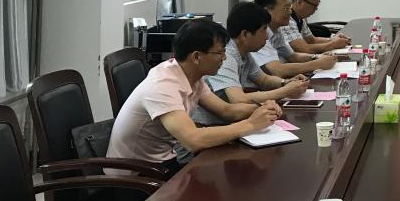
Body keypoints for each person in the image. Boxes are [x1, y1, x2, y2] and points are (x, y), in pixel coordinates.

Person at [107, 19, 279, 173]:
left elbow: (226, 110)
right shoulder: (162, 86)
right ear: (196, 56)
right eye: (219, 53)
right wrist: (251, 124)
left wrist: (261, 110)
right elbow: (193, 140)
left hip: (162, 163)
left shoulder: (191, 76)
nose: (224, 58)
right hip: (136, 175)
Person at [191, 1, 309, 127]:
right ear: (245, 34)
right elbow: (238, 99)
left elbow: (263, 80)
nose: (267, 36)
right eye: (264, 29)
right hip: (209, 126)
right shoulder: (225, 57)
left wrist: (286, 82)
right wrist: (285, 91)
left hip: (230, 121)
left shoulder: (243, 52)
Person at [253, 0, 336, 76]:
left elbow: (292, 56)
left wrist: (317, 57)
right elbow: (277, 70)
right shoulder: (256, 34)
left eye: (290, 7)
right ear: (267, 11)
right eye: (286, 8)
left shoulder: (276, 30)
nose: (290, 12)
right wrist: (317, 64)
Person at [282, 0, 351, 54]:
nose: (316, 9)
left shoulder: (300, 18)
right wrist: (333, 44)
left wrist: (333, 39)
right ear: (300, 2)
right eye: (314, 5)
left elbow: (312, 40)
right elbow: (304, 49)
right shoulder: (286, 19)